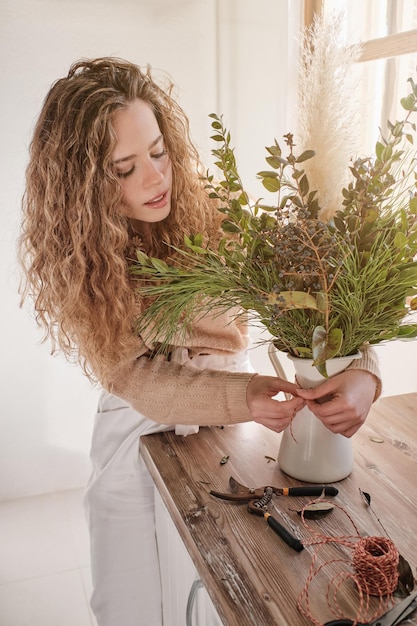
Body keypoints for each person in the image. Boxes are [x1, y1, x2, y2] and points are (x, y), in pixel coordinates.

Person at [18, 57, 381, 626]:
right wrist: (243, 394)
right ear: (82, 183)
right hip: (138, 429)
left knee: (217, 595)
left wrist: (365, 371)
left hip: (226, 427)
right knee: (131, 605)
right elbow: (138, 379)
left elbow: (328, 286)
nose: (156, 178)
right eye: (124, 168)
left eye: (158, 152)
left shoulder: (206, 208)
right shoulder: (80, 259)